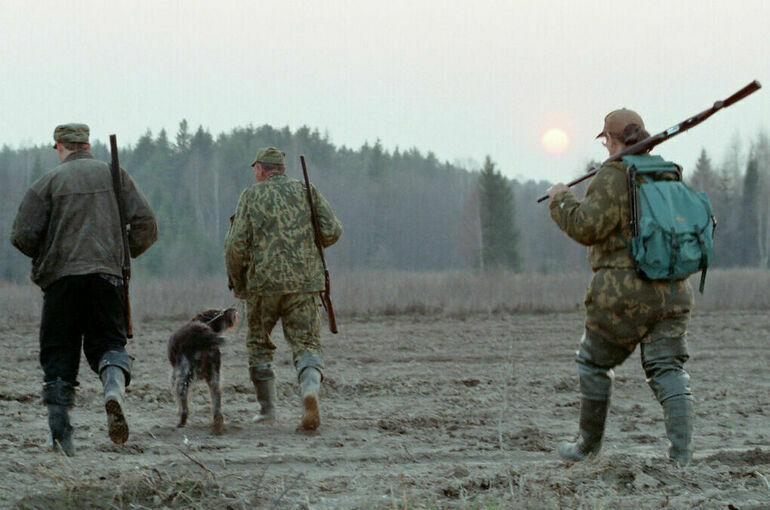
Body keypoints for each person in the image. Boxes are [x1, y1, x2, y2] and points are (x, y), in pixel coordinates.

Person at [545, 109, 695, 465]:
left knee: (593, 363)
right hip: (673, 289)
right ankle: (682, 458)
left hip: (623, 294)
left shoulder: (613, 176)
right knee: (668, 370)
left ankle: (586, 449)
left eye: (605, 141)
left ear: (610, 140)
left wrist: (561, 199)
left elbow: (586, 227)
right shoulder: (667, 172)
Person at [10, 124, 158, 455]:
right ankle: (113, 389)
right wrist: (122, 253)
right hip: (108, 278)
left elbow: (22, 235)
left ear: (59, 147)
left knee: (59, 354)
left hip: (61, 282)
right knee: (109, 344)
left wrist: (47, 257)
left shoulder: (47, 183)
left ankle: (60, 436)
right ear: (88, 146)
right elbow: (147, 225)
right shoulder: (116, 176)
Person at [225, 147, 342, 431]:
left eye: (255, 169)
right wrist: (305, 242)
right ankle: (309, 391)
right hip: (305, 284)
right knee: (307, 344)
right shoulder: (306, 191)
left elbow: (235, 246)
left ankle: (267, 410)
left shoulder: (251, 196)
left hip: (263, 286)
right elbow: (332, 231)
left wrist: (238, 284)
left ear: (261, 170)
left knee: (258, 344)